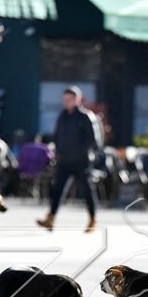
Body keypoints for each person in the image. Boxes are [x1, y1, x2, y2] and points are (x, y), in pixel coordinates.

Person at [36, 86, 100, 233]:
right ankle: (50, 218)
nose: (67, 102)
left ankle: (92, 218)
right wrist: (58, 152)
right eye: (65, 99)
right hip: (64, 161)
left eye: (70, 99)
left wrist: (80, 152)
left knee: (87, 191)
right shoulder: (63, 116)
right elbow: (57, 136)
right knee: (57, 189)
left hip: (81, 161)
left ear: (77, 99)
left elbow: (93, 139)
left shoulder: (85, 116)